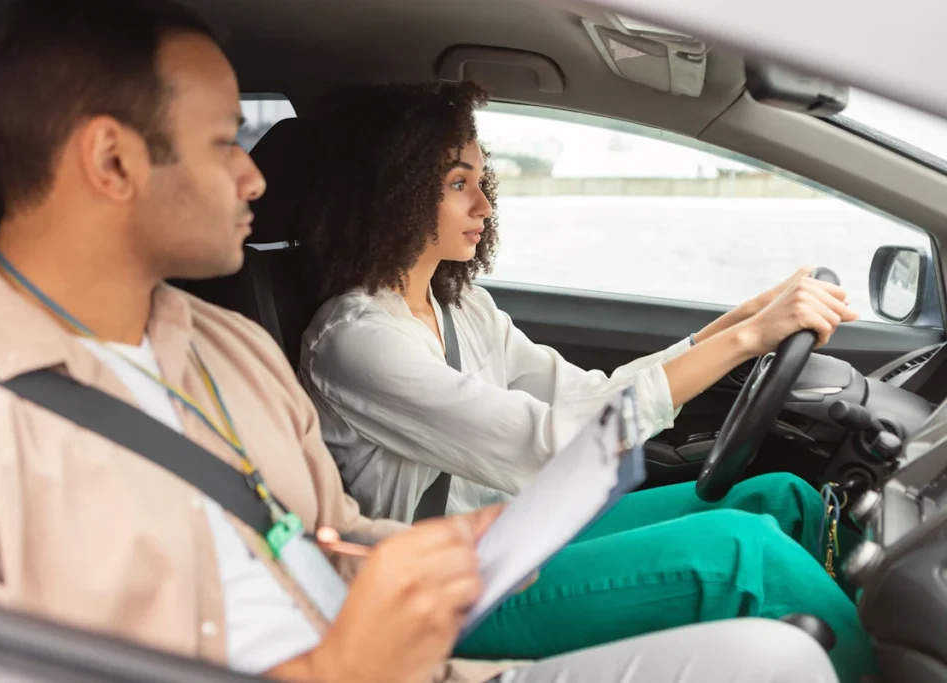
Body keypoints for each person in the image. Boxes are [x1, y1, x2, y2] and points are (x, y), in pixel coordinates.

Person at [0, 1, 841, 683]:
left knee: (780, 656)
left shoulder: (230, 348)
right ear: (112, 159)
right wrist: (339, 666)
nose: (256, 177)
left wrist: (475, 546)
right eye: (224, 142)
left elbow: (336, 531)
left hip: (428, 657)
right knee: (751, 580)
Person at [297, 82, 874, 683]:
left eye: (481, 180)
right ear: (397, 191)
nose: (485, 206)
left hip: (517, 536)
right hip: (449, 590)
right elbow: (550, 445)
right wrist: (747, 340)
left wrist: (738, 323)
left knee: (782, 499)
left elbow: (586, 395)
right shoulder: (358, 342)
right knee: (741, 555)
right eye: (458, 184)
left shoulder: (462, 306)